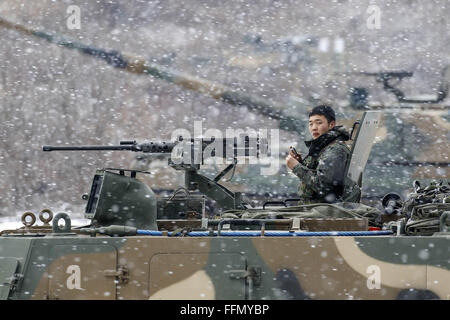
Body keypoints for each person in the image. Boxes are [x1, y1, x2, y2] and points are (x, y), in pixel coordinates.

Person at [286, 105, 361, 204]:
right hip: (316, 209)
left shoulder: (335, 150)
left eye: (319, 123)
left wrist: (296, 167)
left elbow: (323, 186)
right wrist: (300, 163)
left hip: (323, 211)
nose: (314, 128)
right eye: (311, 124)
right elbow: (320, 175)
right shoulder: (325, 147)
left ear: (331, 124)